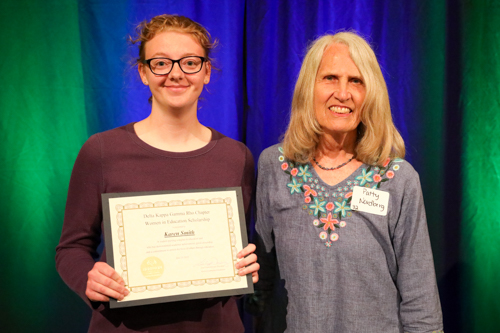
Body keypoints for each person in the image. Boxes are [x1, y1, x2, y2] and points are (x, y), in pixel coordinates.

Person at [56, 14, 259, 332]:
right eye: (161, 63)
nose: (176, 74)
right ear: (143, 72)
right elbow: (71, 248)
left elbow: (236, 247)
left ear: (206, 72)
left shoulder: (236, 156)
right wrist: (89, 279)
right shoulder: (102, 151)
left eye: (190, 62)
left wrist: (246, 263)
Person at [253, 32, 443, 332]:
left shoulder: (398, 179)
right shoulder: (274, 167)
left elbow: (420, 297)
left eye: (356, 81)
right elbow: (260, 284)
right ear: (308, 88)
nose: (343, 93)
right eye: (330, 78)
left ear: (371, 95)